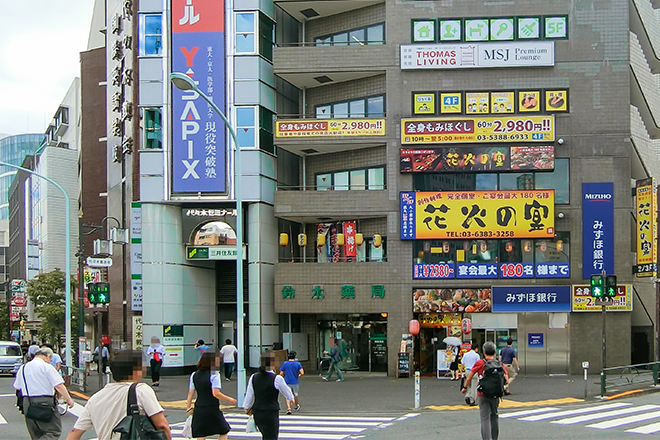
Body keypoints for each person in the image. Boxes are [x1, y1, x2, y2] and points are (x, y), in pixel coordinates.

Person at [64, 350, 172, 440]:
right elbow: (162, 425)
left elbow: (75, 432)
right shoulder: (141, 390)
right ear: (136, 370)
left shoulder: (95, 398)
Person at [13, 346, 74, 440]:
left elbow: (18, 387)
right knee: (53, 431)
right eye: (50, 359)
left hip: (27, 402)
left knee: (36, 433)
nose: (50, 361)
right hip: (44, 401)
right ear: (47, 356)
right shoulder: (47, 367)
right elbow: (59, 385)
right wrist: (68, 399)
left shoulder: (23, 368)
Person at [242, 351, 295, 440]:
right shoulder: (277, 378)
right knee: (271, 436)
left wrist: (246, 407)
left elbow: (249, 394)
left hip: (257, 412)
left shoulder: (254, 377)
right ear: (273, 363)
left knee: (266, 435)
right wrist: (291, 399)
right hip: (270, 412)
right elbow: (287, 392)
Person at [462, 341, 508, 440]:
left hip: (482, 394)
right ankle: (495, 438)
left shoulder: (480, 363)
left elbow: (469, 377)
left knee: (484, 418)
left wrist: (465, 387)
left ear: (483, 352)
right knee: (494, 416)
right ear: (495, 352)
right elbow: (506, 380)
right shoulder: (499, 364)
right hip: (495, 394)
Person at [186, 352, 237, 440]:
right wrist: (228, 399)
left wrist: (188, 407)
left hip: (199, 407)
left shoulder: (194, 375)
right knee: (224, 430)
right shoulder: (214, 375)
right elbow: (215, 393)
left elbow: (191, 393)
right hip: (212, 407)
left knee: (201, 434)